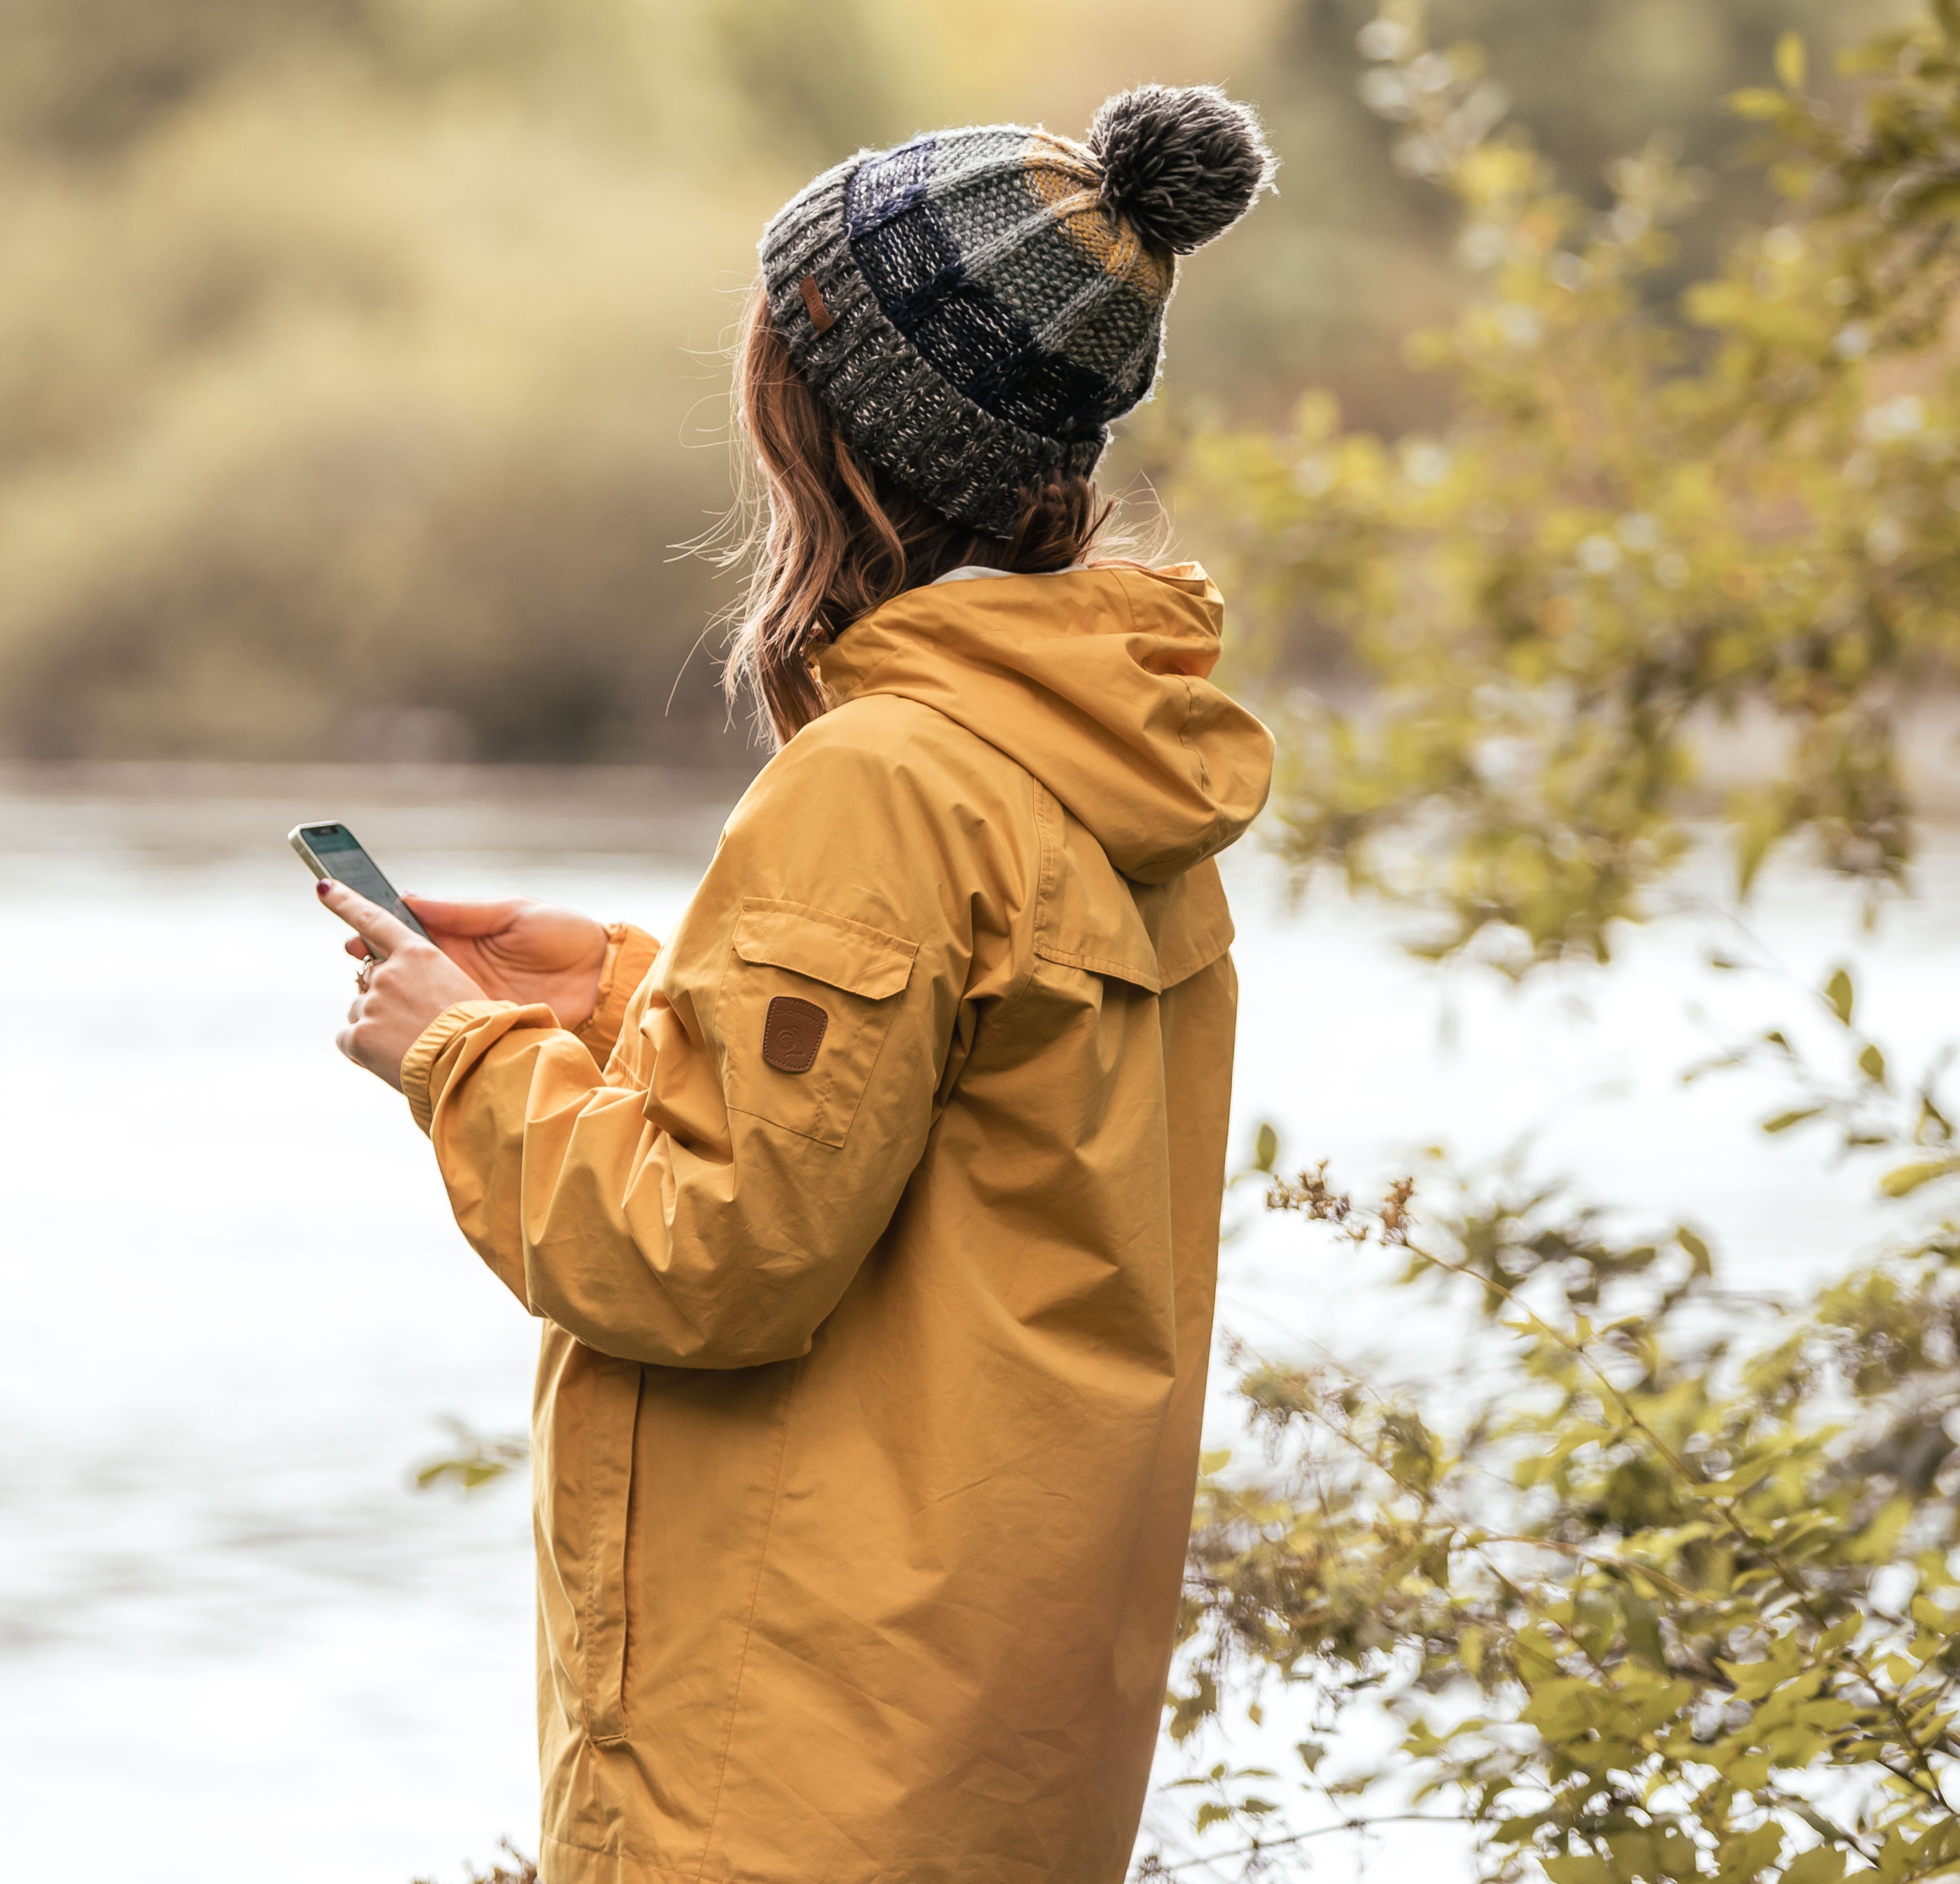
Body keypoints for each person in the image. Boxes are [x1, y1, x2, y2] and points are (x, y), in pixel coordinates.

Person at [317, 84, 1278, 1884]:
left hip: (788, 1772)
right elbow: (945, 1129)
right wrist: (624, 996)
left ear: (832, 425)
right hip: (979, 1767)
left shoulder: (882, 781)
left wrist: (464, 1059)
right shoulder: (1101, 751)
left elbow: (706, 1254)